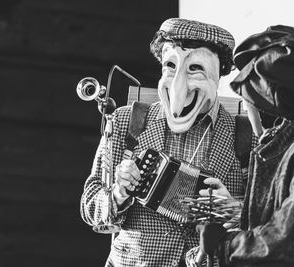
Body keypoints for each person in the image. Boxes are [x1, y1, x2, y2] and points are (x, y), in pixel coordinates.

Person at [80, 18, 256, 267]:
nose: (178, 86)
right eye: (171, 66)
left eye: (195, 68)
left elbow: (268, 227)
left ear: (218, 75)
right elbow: (90, 208)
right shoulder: (124, 122)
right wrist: (118, 193)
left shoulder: (246, 135)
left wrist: (229, 211)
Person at [196, 25, 294, 267]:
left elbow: (286, 242)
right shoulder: (284, 148)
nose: (247, 109)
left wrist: (226, 245)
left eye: (249, 100)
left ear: (269, 103)